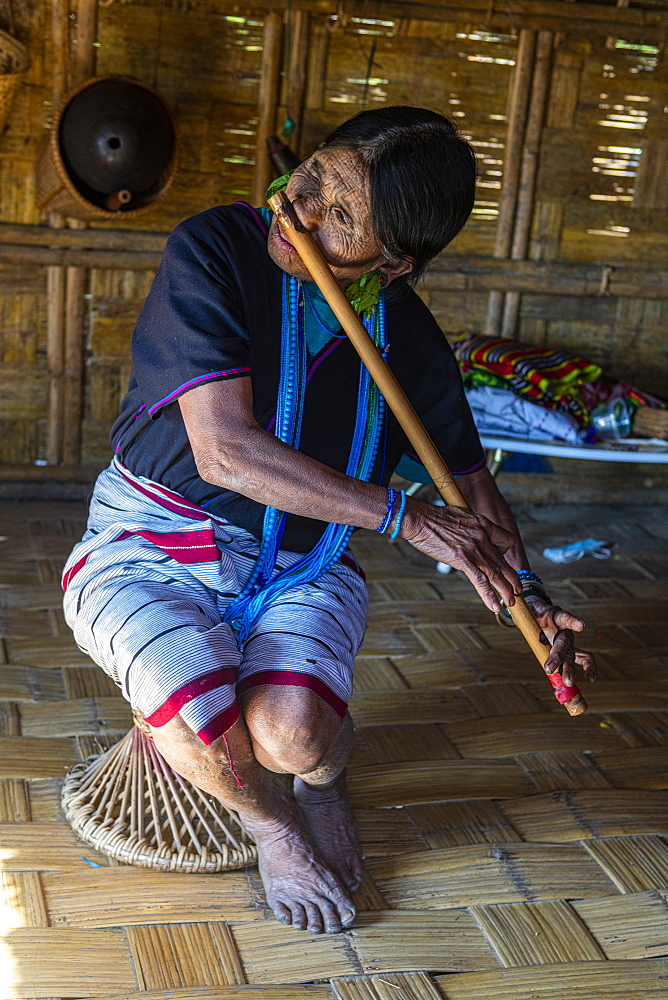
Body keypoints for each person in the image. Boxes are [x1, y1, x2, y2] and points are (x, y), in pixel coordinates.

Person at [62, 106, 595, 936]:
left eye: (339, 215)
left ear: (393, 261)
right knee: (192, 707)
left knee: (297, 735)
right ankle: (272, 825)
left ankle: (322, 784)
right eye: (310, 179)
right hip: (150, 543)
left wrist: (526, 591)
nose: (301, 213)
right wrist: (401, 517)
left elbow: (471, 491)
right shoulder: (216, 250)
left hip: (304, 562)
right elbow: (225, 454)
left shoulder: (407, 336)